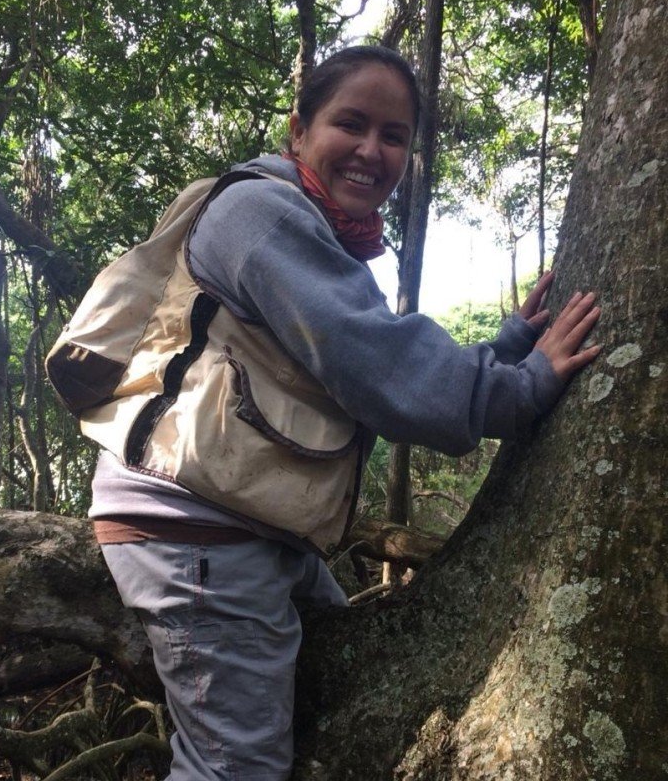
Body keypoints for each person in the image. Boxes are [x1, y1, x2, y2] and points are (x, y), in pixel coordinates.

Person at [87, 46, 601, 780]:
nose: (372, 150)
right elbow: (379, 363)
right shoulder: (263, 212)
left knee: (340, 682)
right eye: (351, 124)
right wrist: (522, 386)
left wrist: (513, 344)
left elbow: (350, 365)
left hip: (249, 527)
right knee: (235, 767)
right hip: (197, 532)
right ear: (298, 131)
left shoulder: (309, 230)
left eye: (394, 136)